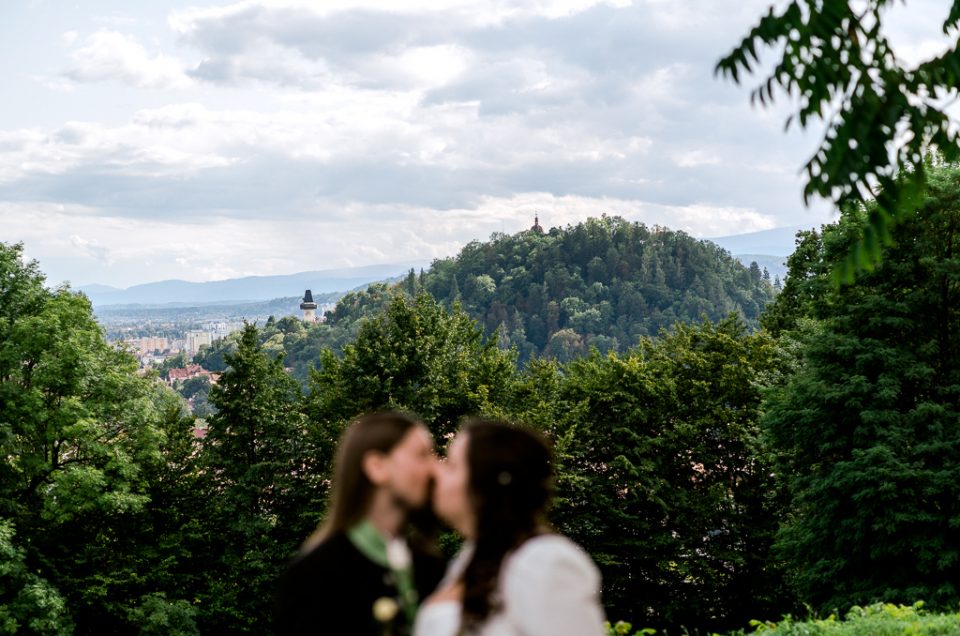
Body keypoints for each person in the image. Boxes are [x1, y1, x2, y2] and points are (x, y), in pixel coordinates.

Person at [414, 418, 606, 636]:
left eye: (451, 465)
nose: (436, 473)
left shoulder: (545, 561)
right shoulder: (470, 559)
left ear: (483, 487)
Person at [275, 411, 446, 636]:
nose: (435, 469)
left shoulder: (430, 565)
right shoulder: (315, 576)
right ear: (377, 467)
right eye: (422, 455)